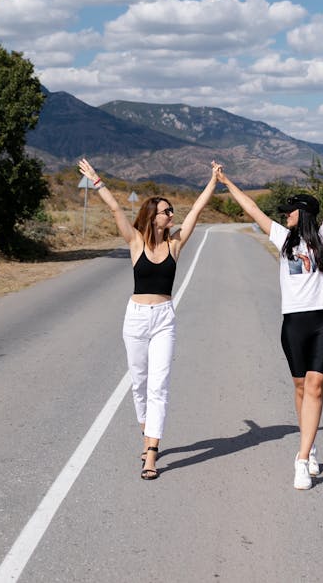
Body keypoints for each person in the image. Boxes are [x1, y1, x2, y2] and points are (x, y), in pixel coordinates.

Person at [216, 139, 323, 490]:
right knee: (300, 387)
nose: (285, 215)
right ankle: (309, 446)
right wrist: (228, 183)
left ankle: (300, 458)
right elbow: (252, 210)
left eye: (290, 211)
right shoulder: (282, 238)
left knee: (315, 385)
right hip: (293, 323)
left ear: (304, 212)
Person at [78, 157, 221, 480]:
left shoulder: (176, 243)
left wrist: (213, 181)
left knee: (159, 386)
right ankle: (147, 431)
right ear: (152, 217)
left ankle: (152, 453)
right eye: (166, 211)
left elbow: (197, 210)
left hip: (164, 319)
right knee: (139, 383)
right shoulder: (135, 242)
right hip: (137, 318)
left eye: (172, 211)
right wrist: (97, 180)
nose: (172, 215)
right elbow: (116, 209)